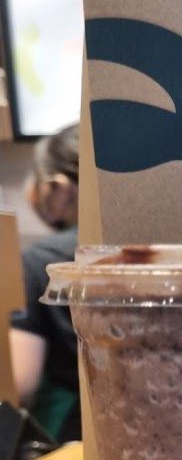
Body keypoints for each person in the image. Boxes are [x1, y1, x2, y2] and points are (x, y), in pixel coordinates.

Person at [9, 124, 80, 441]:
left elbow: (20, 384)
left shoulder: (42, 262)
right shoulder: (161, 250)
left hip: (71, 442)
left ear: (59, 187)